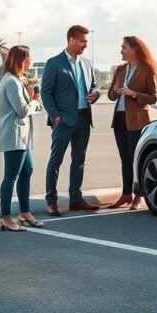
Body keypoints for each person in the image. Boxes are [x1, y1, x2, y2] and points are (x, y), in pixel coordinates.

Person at [41, 25, 101, 215]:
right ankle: (51, 200)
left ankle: (76, 199)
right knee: (55, 161)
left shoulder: (87, 63)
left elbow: (95, 85)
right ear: (71, 40)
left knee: (79, 160)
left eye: (86, 42)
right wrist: (55, 116)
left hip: (84, 119)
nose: (85, 45)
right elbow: (46, 92)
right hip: (63, 121)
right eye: (82, 41)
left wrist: (96, 94)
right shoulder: (54, 63)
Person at [106, 36, 157, 209]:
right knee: (125, 159)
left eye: (124, 47)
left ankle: (139, 196)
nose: (120, 50)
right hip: (120, 119)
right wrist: (115, 91)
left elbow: (153, 97)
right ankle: (126, 194)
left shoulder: (148, 70)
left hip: (138, 120)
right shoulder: (121, 69)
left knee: (136, 158)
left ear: (134, 49)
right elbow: (111, 95)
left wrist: (134, 94)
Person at [0, 45, 45, 231]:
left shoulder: (19, 80)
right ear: (20, 60)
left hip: (22, 137)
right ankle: (6, 217)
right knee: (11, 176)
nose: (31, 61)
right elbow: (23, 110)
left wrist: (34, 101)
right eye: (29, 57)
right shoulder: (11, 82)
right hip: (14, 136)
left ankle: (25, 213)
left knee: (27, 171)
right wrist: (34, 101)